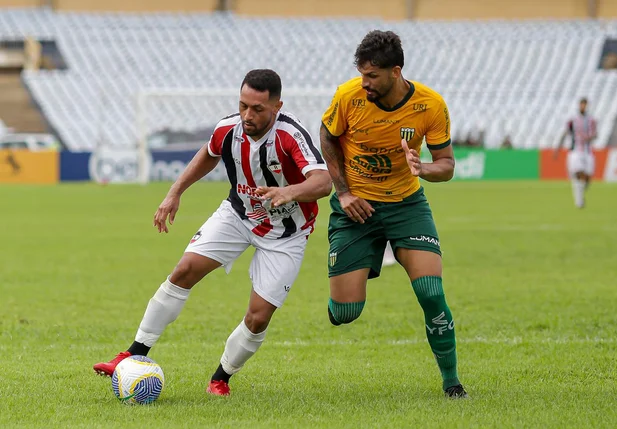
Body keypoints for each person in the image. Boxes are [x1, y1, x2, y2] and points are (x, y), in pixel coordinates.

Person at [93, 69, 332, 396]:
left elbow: (323, 181)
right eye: (243, 105)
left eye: (258, 109)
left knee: (258, 317)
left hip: (286, 234)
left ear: (277, 106)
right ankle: (132, 354)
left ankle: (221, 377)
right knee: (184, 270)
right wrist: (175, 192)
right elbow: (209, 153)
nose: (248, 115)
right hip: (238, 214)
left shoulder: (291, 135)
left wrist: (289, 192)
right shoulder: (229, 128)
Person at [320, 30, 467, 398]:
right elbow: (327, 135)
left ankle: (452, 383)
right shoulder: (348, 96)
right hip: (356, 208)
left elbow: (446, 165)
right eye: (361, 73)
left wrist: (422, 168)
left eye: (372, 76)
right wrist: (345, 191)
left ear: (395, 72)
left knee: (431, 291)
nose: (364, 82)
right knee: (346, 312)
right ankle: (344, 292)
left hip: (406, 205)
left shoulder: (431, 105)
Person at [554, 98, 597, 209]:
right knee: (579, 174)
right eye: (581, 104)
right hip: (575, 151)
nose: (583, 106)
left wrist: (588, 138)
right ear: (579, 105)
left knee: (587, 177)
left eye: (585, 104)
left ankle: (580, 195)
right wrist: (557, 149)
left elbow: (595, 134)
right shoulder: (572, 120)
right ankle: (579, 202)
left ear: (587, 105)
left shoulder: (591, 120)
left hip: (588, 151)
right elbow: (564, 134)